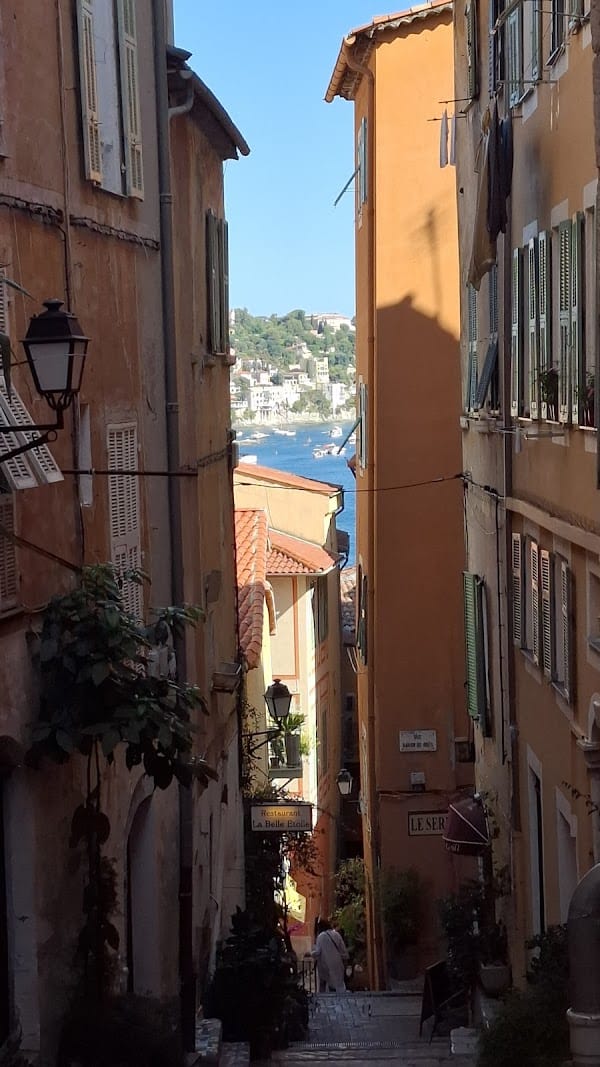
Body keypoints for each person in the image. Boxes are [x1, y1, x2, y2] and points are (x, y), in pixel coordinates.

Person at [311, 918, 349, 992]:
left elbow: (317, 952)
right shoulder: (336, 934)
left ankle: (324, 1000)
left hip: (325, 965)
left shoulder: (320, 937)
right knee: (338, 985)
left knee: (324, 985)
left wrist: (311, 953)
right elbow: (343, 950)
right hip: (338, 963)